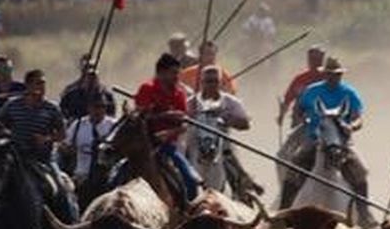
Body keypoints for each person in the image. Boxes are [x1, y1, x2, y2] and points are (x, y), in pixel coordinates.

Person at [281, 57, 376, 228]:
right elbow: (298, 110)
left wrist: (351, 126)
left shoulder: (349, 93)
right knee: (294, 167)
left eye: (338, 74)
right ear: (325, 74)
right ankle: (283, 211)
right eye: (331, 74)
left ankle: (364, 215)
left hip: (343, 143)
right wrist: (302, 119)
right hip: (315, 140)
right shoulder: (311, 91)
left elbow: (358, 118)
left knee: (360, 172)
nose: (334, 77)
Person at [0, 68, 76, 229]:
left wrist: (47, 139)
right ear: (28, 86)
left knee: (60, 189)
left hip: (43, 160)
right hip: (17, 158)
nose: (42, 87)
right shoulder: (13, 105)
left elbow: (62, 134)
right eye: (38, 83)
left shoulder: (52, 108)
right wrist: (5, 132)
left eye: (43, 83)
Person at [130, 54, 201, 203]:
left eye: (177, 73)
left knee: (191, 180)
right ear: (161, 73)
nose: (177, 77)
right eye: (173, 73)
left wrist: (168, 133)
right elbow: (140, 117)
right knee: (115, 176)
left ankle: (189, 212)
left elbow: (183, 124)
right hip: (144, 144)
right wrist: (166, 115)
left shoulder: (179, 94)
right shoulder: (147, 88)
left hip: (168, 146)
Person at [188, 65, 262, 199]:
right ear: (201, 82)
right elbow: (181, 121)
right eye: (208, 81)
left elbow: (245, 124)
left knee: (230, 158)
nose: (211, 85)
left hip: (222, 145)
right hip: (195, 143)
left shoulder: (231, 102)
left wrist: (227, 119)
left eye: (215, 81)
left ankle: (242, 188)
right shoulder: (191, 103)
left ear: (220, 83)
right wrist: (189, 116)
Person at [63, 91, 119, 195]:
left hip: (107, 178)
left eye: (103, 107)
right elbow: (65, 144)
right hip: (81, 175)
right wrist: (69, 149)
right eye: (96, 106)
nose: (99, 110)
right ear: (89, 108)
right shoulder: (78, 125)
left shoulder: (113, 125)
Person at [278, 45, 328, 129]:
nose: (315, 62)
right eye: (312, 59)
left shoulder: (329, 77)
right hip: (301, 118)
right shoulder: (300, 79)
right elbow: (287, 99)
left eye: (318, 59)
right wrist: (281, 115)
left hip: (325, 117)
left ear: (322, 60)